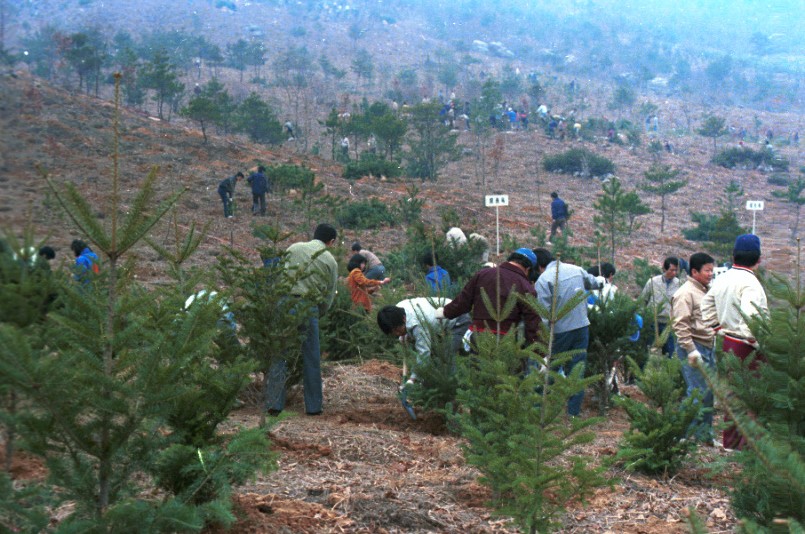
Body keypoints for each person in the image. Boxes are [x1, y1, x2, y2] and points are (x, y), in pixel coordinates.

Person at [701, 234, 769, 450]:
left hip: (726, 341)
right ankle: (744, 446)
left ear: (733, 256)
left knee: (731, 396)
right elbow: (751, 318)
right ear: (758, 258)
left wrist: (717, 327)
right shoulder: (751, 283)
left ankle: (730, 443)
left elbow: (706, 303)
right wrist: (759, 345)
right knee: (749, 397)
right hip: (747, 347)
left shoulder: (723, 278)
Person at [264, 223, 339, 416]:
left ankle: (274, 404)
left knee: (280, 353)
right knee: (311, 357)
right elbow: (329, 295)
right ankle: (314, 407)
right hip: (308, 307)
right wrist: (318, 311)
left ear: (314, 235)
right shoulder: (330, 260)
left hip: (284, 303)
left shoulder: (294, 248)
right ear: (331, 242)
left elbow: (279, 275)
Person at [533, 248, 601, 416]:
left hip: (560, 331)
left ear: (538, 266)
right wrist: (600, 283)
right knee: (577, 369)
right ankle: (573, 412)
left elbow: (543, 313)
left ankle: (542, 409)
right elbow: (593, 282)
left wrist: (543, 337)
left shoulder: (544, 280)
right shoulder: (575, 269)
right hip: (582, 327)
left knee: (551, 368)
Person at [442, 248, 541, 350]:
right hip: (506, 341)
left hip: (478, 336)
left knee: (476, 365)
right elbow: (532, 323)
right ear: (528, 269)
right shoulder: (526, 287)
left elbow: (462, 302)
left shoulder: (482, 274)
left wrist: (445, 312)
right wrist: (540, 353)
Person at [671, 252, 716, 443]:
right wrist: (690, 350)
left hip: (707, 346)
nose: (711, 274)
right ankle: (681, 435)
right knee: (696, 393)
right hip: (694, 347)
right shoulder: (685, 293)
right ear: (695, 271)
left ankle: (704, 435)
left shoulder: (705, 290)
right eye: (707, 270)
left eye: (712, 270)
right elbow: (680, 324)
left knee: (708, 393)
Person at [377, 297, 471, 384]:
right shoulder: (396, 311)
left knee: (447, 356)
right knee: (436, 355)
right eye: (393, 332)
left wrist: (412, 379)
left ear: (404, 319)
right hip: (439, 324)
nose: (397, 334)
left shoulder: (418, 324)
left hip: (457, 318)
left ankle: (454, 389)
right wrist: (405, 335)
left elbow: (424, 353)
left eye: (397, 330)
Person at [640, 257, 682, 357]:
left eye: (676, 270)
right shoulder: (653, 282)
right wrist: (643, 318)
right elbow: (643, 300)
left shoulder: (679, 284)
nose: (674, 273)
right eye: (672, 270)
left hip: (668, 324)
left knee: (669, 352)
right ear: (664, 269)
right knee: (647, 350)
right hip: (652, 321)